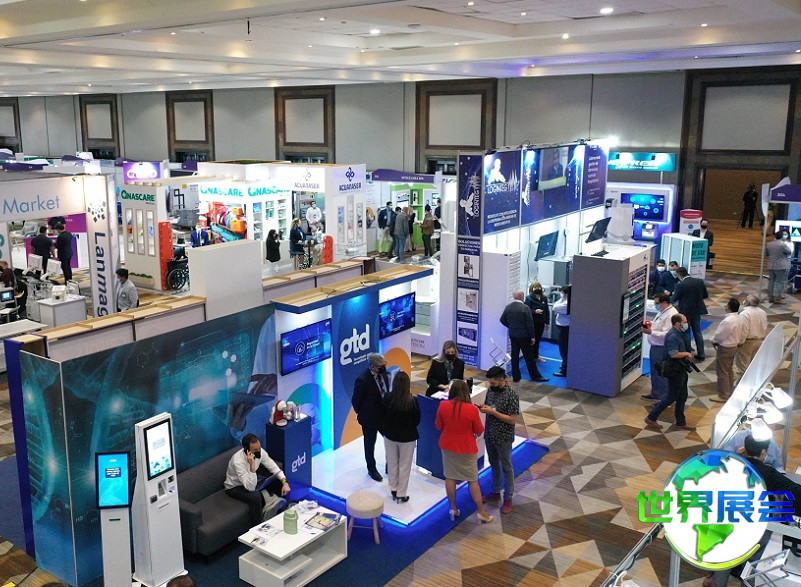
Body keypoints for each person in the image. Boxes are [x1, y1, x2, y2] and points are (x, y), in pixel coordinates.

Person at [707, 434, 801, 587]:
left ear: (745, 448)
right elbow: (794, 492)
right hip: (757, 527)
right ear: (764, 451)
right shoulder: (768, 474)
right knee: (753, 563)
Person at [435, 379, 493, 524]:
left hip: (448, 446)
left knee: (450, 477)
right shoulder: (471, 409)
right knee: (472, 480)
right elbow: (479, 430)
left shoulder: (443, 405)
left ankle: (453, 509)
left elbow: (439, 425)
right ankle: (482, 512)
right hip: (467, 448)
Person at [224, 433, 290, 526]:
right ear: (247, 451)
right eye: (255, 450)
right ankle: (258, 525)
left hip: (251, 480)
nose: (259, 451)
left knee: (279, 480)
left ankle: (279, 509)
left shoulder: (260, 451)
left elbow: (273, 467)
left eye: (259, 448)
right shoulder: (238, 462)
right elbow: (250, 487)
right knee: (255, 496)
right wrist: (252, 465)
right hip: (235, 487)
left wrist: (285, 482)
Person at [644, 314, 696, 432]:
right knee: (671, 396)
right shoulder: (673, 336)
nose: (686, 324)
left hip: (681, 369)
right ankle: (651, 417)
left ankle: (681, 422)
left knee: (682, 396)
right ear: (677, 323)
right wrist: (686, 354)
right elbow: (673, 354)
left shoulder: (680, 333)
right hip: (675, 370)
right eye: (684, 322)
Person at [479, 366, 520, 514]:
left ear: (502, 379)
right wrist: (485, 408)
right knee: (494, 464)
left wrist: (492, 412)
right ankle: (496, 491)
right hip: (490, 433)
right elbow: (490, 406)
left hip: (504, 437)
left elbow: (512, 419)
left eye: (493, 382)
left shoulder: (511, 395)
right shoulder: (491, 390)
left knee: (506, 467)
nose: (491, 385)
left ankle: (508, 498)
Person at [381, 371, 420, 503]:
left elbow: (382, 415)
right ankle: (401, 493)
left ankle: (393, 489)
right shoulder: (413, 401)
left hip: (390, 436)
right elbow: (417, 420)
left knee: (392, 463)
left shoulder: (388, 398)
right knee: (405, 466)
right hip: (408, 438)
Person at [352, 352, 389, 482]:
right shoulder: (362, 380)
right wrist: (364, 413)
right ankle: (372, 469)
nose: (384, 367)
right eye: (381, 366)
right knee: (369, 444)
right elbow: (356, 401)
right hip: (369, 419)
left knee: (390, 440)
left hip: (384, 416)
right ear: (373, 366)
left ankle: (390, 464)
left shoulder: (384, 374)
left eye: (385, 364)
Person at [500, 289, 548, 383]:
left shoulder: (508, 307)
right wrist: (533, 337)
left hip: (513, 335)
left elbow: (502, 320)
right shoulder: (525, 308)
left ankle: (516, 377)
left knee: (514, 356)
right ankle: (535, 376)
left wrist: (511, 326)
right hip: (524, 336)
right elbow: (530, 324)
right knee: (529, 357)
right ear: (521, 296)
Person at [641, 293, 678, 402]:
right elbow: (659, 324)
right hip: (656, 346)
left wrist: (651, 332)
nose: (656, 305)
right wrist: (650, 325)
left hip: (661, 347)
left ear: (664, 302)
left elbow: (667, 334)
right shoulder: (663, 311)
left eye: (657, 303)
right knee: (655, 371)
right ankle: (656, 393)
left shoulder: (671, 315)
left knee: (660, 372)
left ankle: (662, 397)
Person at [671, 267, 709, 361]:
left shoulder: (680, 285)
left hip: (685, 312)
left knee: (686, 333)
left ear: (679, 275)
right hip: (697, 311)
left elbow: (674, 299)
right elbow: (705, 295)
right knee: (697, 332)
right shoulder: (699, 281)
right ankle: (701, 353)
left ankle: (687, 354)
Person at [710, 297, 742, 403]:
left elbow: (720, 335)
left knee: (722, 371)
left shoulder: (728, 321)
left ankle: (723, 395)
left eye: (726, 305)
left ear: (729, 307)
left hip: (725, 348)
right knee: (729, 370)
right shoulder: (738, 318)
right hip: (734, 346)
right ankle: (729, 391)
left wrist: (713, 340)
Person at [735, 294, 768, 377]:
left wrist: (739, 343)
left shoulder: (745, 314)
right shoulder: (763, 312)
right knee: (754, 366)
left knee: (743, 369)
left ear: (748, 302)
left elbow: (744, 330)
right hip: (759, 341)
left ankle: (743, 383)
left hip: (747, 343)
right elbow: (764, 326)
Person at [524, 282, 549, 363]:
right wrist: (535, 311)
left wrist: (547, 322)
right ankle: (531, 357)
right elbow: (526, 310)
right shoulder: (529, 298)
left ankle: (536, 356)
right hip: (532, 322)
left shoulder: (544, 298)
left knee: (538, 340)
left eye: (539, 287)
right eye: (535, 287)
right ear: (532, 288)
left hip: (541, 322)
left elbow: (546, 310)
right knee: (532, 341)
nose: (537, 289)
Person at [765, 229, 792, 303]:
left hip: (771, 265)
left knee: (771, 281)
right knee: (780, 282)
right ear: (781, 237)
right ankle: (777, 298)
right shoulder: (782, 244)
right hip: (781, 266)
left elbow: (765, 254)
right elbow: (789, 252)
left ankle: (770, 297)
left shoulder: (769, 244)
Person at [552, 285, 571, 377]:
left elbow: (555, 307)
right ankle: (565, 366)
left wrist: (560, 301)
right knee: (564, 349)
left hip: (564, 328)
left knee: (563, 350)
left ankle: (564, 370)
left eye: (562, 293)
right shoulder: (566, 301)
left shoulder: (567, 303)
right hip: (564, 327)